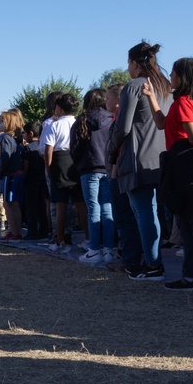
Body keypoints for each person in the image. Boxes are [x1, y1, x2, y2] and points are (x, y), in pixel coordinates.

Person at [141, 57, 193, 292]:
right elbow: (162, 124)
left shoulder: (184, 102)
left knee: (191, 223)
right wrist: (151, 97)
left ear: (182, 78)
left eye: (173, 73)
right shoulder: (189, 102)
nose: (170, 77)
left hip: (183, 162)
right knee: (190, 221)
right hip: (182, 163)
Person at [109, 41, 171, 281]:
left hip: (137, 157)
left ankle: (153, 264)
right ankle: (152, 261)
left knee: (143, 211)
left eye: (128, 63)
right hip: (162, 156)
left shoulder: (134, 86)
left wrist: (112, 148)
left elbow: (122, 126)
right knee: (153, 211)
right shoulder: (165, 86)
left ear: (135, 63)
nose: (127, 67)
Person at [70, 89, 114, 263]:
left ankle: (94, 249)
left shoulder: (81, 120)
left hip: (88, 169)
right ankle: (109, 250)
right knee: (108, 210)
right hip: (108, 168)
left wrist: (80, 163)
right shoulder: (111, 119)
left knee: (93, 210)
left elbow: (74, 148)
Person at [44, 93, 84, 252]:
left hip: (59, 161)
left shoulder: (54, 125)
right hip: (76, 161)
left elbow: (48, 150)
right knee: (80, 203)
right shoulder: (78, 122)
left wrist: (49, 169)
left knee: (60, 204)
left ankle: (59, 239)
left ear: (59, 107)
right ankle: (88, 238)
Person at [0, 110, 25, 242]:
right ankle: (15, 231)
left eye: (2, 121)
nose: (0, 123)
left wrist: (1, 171)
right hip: (18, 173)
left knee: (8, 204)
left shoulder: (6, 138)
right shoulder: (16, 138)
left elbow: (5, 157)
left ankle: (15, 232)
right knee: (15, 204)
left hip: (10, 174)